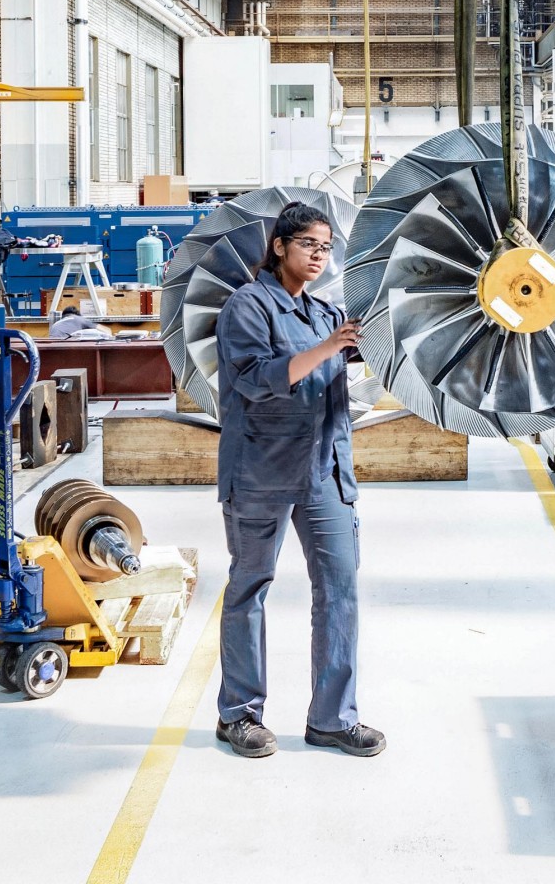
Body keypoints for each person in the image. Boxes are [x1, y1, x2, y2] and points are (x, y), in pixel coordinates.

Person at [211, 202, 381, 759]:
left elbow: (340, 379)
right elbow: (257, 381)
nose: (318, 256)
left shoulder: (325, 315)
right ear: (280, 246)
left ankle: (332, 718)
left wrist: (371, 346)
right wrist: (326, 349)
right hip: (260, 471)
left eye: (326, 248)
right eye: (309, 244)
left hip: (324, 472)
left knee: (340, 590)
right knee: (250, 587)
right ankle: (239, 714)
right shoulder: (247, 307)